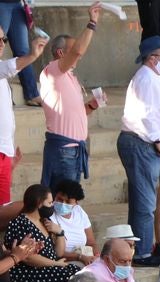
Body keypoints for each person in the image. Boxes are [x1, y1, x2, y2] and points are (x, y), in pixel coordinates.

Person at [119, 37, 160, 265]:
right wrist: (157, 139)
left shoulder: (150, 78)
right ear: (153, 59)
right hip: (142, 143)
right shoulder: (147, 79)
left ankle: (137, 247)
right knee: (145, 202)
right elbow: (145, 113)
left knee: (141, 200)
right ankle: (141, 252)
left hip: (143, 143)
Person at [40, 8, 102, 189]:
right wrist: (92, 23)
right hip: (63, 151)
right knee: (60, 204)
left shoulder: (70, 77)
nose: (79, 55)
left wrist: (91, 106)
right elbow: (77, 51)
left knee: (67, 205)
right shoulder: (52, 71)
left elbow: (74, 113)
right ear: (60, 53)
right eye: (73, 49)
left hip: (73, 151)